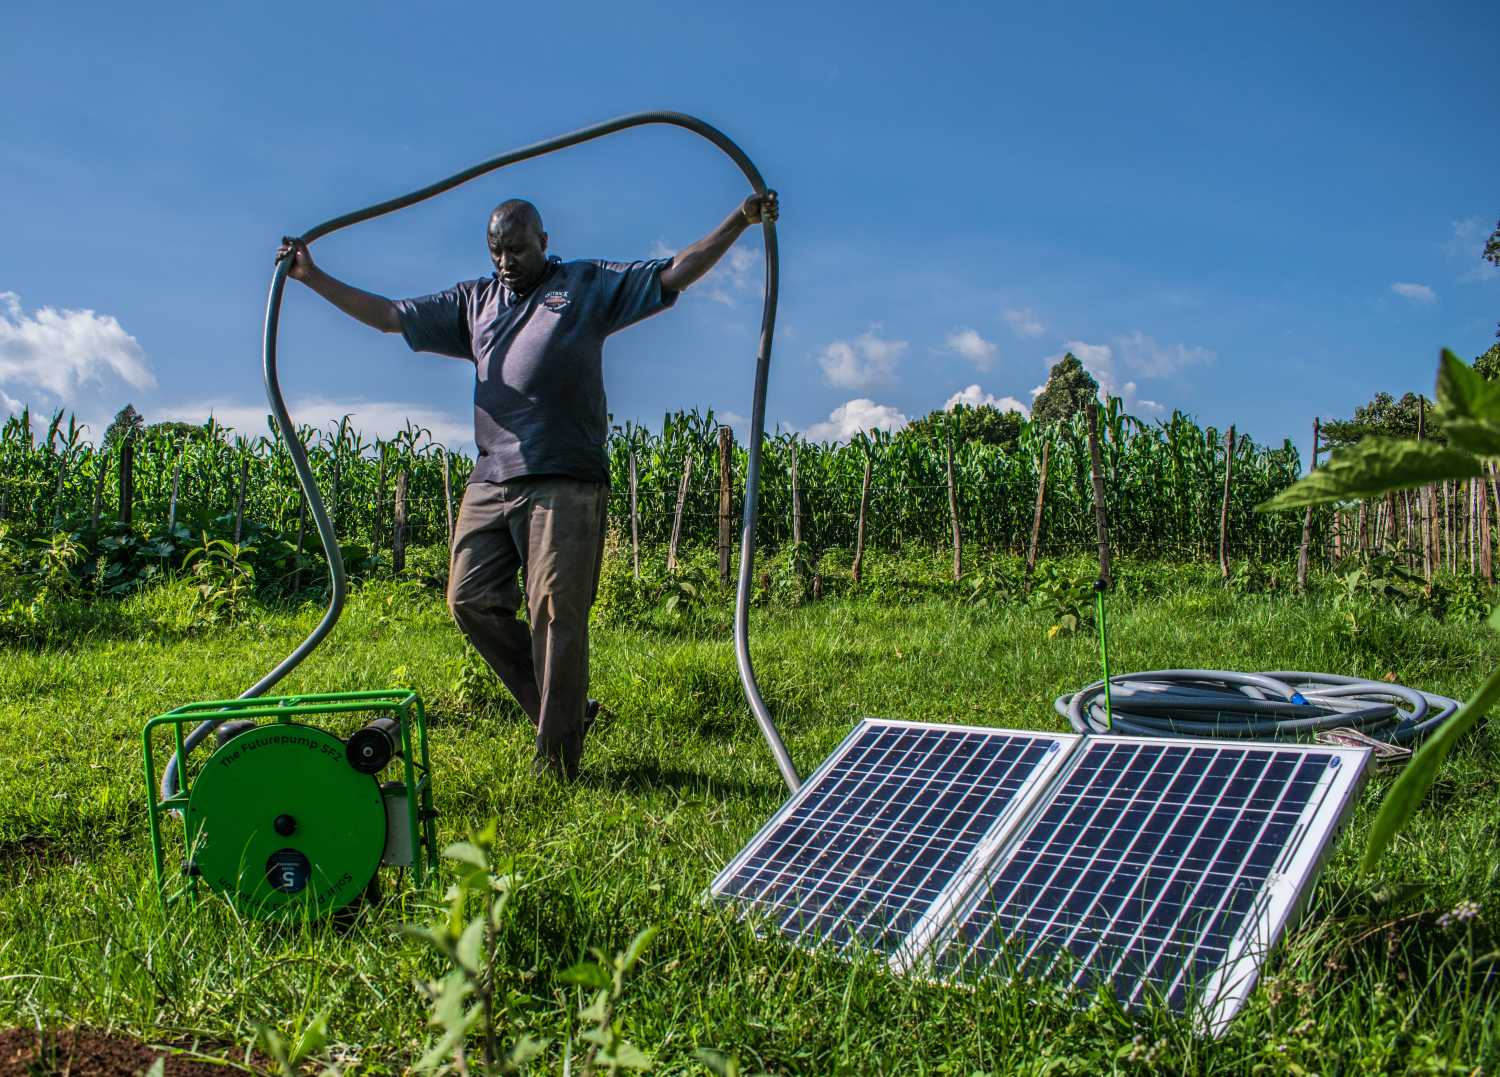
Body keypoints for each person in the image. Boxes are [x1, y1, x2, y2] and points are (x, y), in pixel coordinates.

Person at [275, 190, 778, 780]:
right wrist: (312, 277)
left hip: (565, 477)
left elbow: (675, 272)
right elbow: (390, 316)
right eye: (496, 252)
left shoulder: (586, 286)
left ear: (543, 240)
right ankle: (563, 709)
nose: (506, 262)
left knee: (556, 615)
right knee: (468, 600)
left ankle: (557, 762)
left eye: (516, 249)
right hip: (492, 476)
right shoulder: (475, 302)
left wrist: (739, 222)